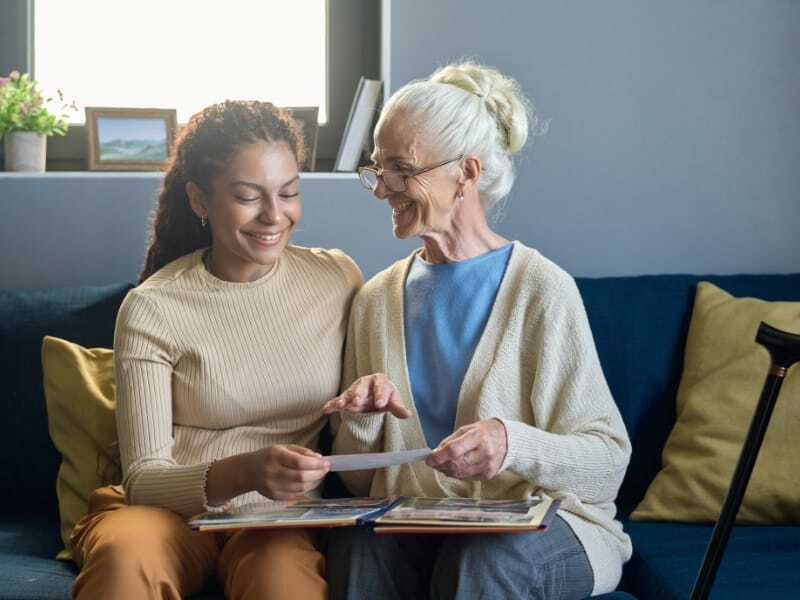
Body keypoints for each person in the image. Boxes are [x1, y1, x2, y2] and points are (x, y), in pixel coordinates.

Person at [322, 62, 632, 599]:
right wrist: (364, 421)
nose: (381, 190)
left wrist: (512, 444)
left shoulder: (541, 289)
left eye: (401, 169)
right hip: (422, 524)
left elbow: (607, 464)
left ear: (466, 172)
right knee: (357, 547)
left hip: (547, 526)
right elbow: (358, 484)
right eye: (378, 168)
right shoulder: (375, 300)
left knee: (484, 559)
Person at [70, 100, 362, 600]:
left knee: (281, 583)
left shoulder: (337, 279)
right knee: (126, 560)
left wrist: (372, 396)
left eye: (289, 192)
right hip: (161, 514)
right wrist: (246, 472)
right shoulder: (153, 307)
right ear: (199, 200)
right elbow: (143, 479)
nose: (275, 215)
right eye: (248, 196)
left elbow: (364, 412)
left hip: (276, 523)